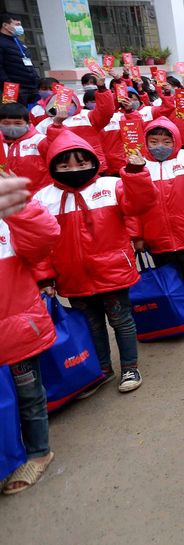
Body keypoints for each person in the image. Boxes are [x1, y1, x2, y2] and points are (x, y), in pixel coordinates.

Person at [33, 132, 155, 394]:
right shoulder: (44, 198)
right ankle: (101, 369)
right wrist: (44, 278)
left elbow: (141, 202)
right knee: (91, 326)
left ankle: (129, 367)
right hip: (72, 277)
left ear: (93, 163)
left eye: (81, 164)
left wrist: (135, 173)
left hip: (113, 273)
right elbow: (39, 244)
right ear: (52, 166)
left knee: (120, 320)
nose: (73, 170)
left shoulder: (111, 186)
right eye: (64, 166)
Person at [130, 116, 184, 334]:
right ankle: (181, 318)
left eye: (166, 142)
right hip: (157, 238)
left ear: (176, 141)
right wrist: (137, 236)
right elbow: (132, 204)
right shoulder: (139, 166)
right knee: (172, 283)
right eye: (154, 141)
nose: (160, 146)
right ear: (145, 142)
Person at [0, 191, 60, 494]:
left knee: (28, 395)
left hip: (16, 329)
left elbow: (44, 236)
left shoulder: (8, 217)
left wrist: (16, 203)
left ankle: (39, 452)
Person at [0, 102, 48, 191]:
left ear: (28, 123)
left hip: (39, 197)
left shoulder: (40, 141)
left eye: (18, 123)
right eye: (6, 123)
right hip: (8, 197)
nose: (12, 127)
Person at [0, 13, 38, 106]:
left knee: (36, 115)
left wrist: (38, 80)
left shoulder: (20, 43)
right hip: (16, 89)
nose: (20, 27)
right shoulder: (1, 42)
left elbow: (30, 64)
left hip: (33, 86)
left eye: (20, 25)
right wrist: (9, 86)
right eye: (17, 25)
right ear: (5, 25)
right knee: (18, 116)